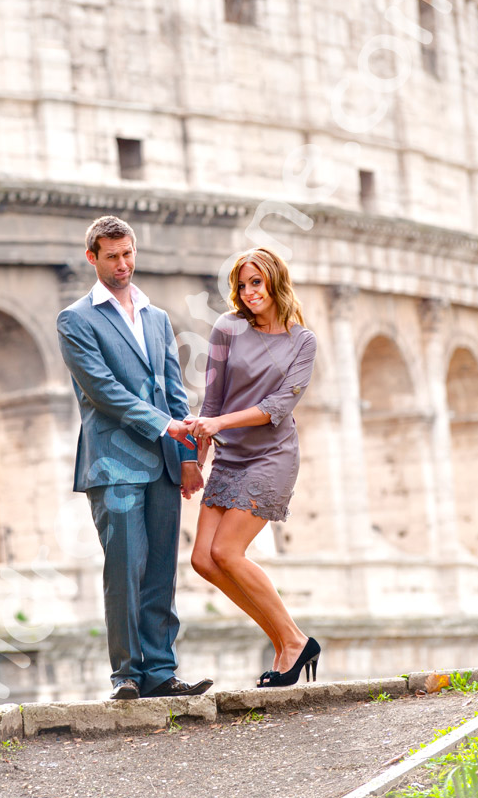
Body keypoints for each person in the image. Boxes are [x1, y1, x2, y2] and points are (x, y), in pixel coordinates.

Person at [57, 215, 212, 700]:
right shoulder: (75, 320)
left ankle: (162, 673)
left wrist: (187, 457)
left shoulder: (157, 317)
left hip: (164, 462)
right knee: (125, 567)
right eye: (111, 256)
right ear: (92, 258)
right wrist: (163, 424)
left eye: (128, 254)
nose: (122, 265)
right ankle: (125, 674)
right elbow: (102, 391)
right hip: (113, 464)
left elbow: (174, 392)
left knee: (162, 568)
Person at [184, 247, 319, 688]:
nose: (248, 292)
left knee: (226, 552)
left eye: (256, 282)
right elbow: (212, 399)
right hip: (229, 456)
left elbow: (279, 405)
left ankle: (295, 641)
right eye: (242, 285)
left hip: (272, 457)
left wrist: (220, 423)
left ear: (275, 281)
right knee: (203, 559)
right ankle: (284, 643)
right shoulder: (227, 328)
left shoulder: (303, 341)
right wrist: (195, 461)